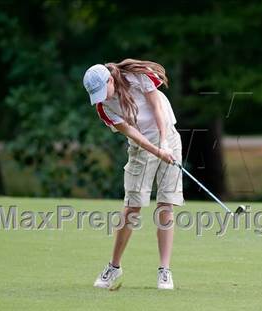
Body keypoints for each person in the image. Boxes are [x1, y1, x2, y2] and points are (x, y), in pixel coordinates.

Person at [83, 59, 184, 290]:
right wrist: (157, 150)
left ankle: (164, 271)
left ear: (110, 79)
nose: (103, 97)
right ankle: (114, 267)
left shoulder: (138, 77)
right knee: (132, 208)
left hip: (167, 136)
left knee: (166, 205)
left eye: (103, 91)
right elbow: (134, 134)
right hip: (141, 148)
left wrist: (164, 143)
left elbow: (157, 108)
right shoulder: (104, 107)